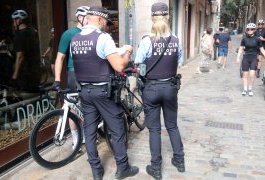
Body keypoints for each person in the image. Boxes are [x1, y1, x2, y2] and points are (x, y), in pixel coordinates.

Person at [67, 6, 139, 180]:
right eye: (106, 22)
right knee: (117, 128)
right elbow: (119, 66)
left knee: (89, 131)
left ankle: (96, 171)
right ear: (99, 19)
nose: (107, 26)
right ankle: (123, 168)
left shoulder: (75, 39)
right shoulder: (103, 38)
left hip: (85, 91)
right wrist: (128, 51)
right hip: (102, 92)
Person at [134, 2, 185, 179]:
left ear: (152, 18)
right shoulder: (176, 40)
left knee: (154, 129)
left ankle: (156, 168)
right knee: (172, 125)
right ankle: (179, 160)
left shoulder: (147, 41)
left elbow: (139, 64)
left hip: (151, 89)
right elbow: (179, 61)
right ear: (168, 17)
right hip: (170, 88)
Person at [53, 6, 90, 150]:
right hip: (74, 74)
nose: (89, 20)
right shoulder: (69, 34)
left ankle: (87, 135)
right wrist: (57, 79)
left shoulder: (94, 33)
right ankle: (76, 139)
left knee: (89, 106)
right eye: (87, 17)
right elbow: (60, 57)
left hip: (91, 74)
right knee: (73, 109)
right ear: (79, 18)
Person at [11, 9, 41, 92]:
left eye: (14, 20)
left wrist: (15, 75)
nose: (13, 22)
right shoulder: (33, 31)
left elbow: (20, 57)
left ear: (19, 20)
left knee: (25, 98)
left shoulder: (19, 35)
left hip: (25, 73)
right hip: (35, 71)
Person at [236, 23, 265, 96]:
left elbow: (261, 48)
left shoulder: (257, 39)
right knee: (245, 75)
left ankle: (250, 88)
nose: (250, 30)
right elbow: (241, 48)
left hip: (254, 58)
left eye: (252, 29)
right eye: (248, 29)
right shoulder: (244, 38)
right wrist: (238, 57)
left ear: (254, 30)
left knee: (252, 75)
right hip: (246, 58)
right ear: (247, 30)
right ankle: (245, 89)